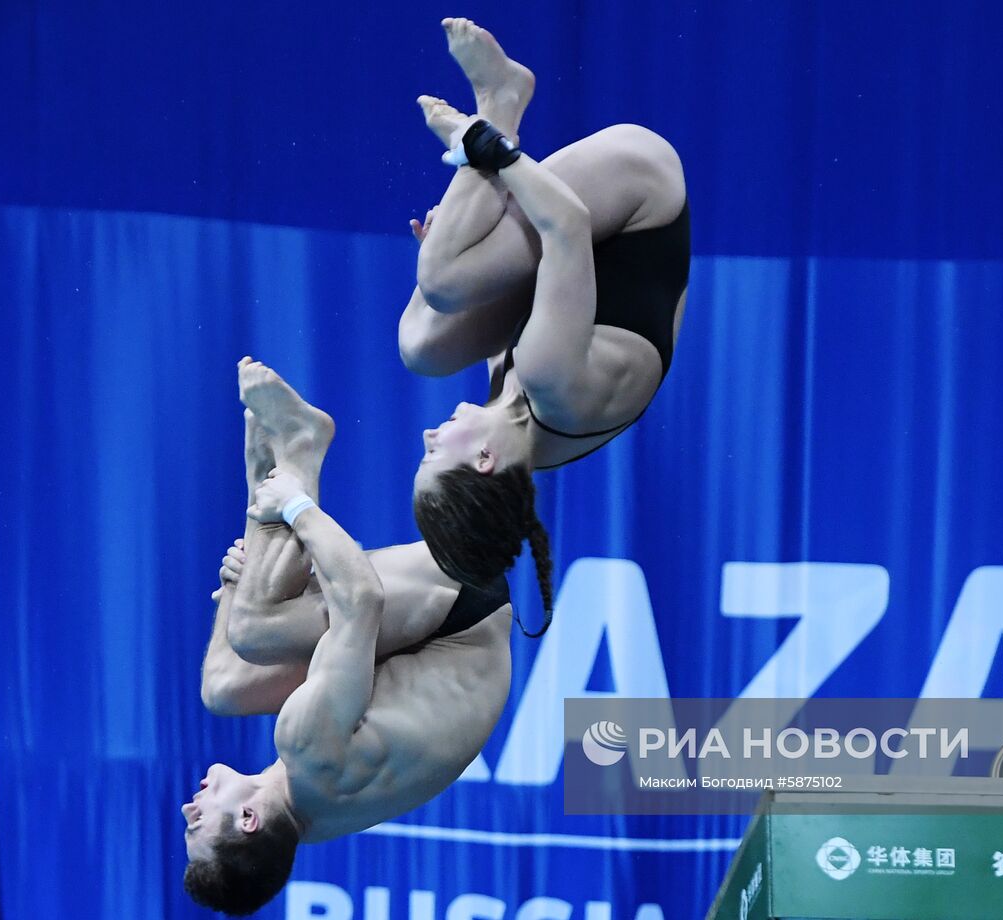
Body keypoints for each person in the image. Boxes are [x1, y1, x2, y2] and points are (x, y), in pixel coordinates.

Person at [184, 358, 512, 916]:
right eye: (198, 827)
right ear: (247, 820)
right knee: (257, 627)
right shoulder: (307, 749)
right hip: (461, 607)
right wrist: (293, 503)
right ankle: (296, 450)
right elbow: (362, 600)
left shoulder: (300, 823)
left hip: (438, 642)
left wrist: (236, 584)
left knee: (222, 686)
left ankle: (268, 474)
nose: (188, 812)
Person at [400, 19, 690, 635]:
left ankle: (462, 239)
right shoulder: (550, 383)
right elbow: (567, 223)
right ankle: (502, 99)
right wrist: (474, 138)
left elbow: (537, 297)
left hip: (589, 259)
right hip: (639, 193)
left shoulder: (518, 433)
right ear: (482, 460)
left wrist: (481, 251)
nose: (427, 433)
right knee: (444, 278)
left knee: (421, 346)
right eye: (432, 454)